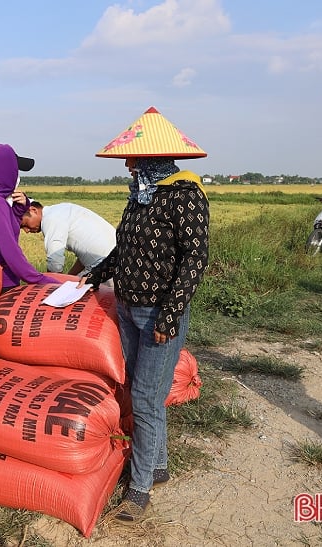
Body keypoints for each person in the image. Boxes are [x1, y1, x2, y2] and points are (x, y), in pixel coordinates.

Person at [80, 107, 210, 522]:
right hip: (129, 308)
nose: (127, 164)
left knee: (145, 399)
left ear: (154, 158)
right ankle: (157, 466)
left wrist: (171, 315)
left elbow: (194, 260)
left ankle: (138, 492)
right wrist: (95, 275)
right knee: (143, 390)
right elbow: (125, 250)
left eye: (134, 158)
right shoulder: (139, 196)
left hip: (160, 315)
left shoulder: (185, 196)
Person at [0, 143, 59, 290]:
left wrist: (19, 209)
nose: (16, 175)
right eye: (14, 169)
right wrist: (39, 279)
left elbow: (7, 231)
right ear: (3, 171)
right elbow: (9, 250)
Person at [19, 200, 116, 276]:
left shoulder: (50, 219)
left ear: (33, 210)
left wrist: (49, 288)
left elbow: (55, 263)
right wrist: (70, 277)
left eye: (24, 224)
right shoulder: (61, 209)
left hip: (104, 268)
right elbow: (85, 254)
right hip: (116, 260)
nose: (26, 231)